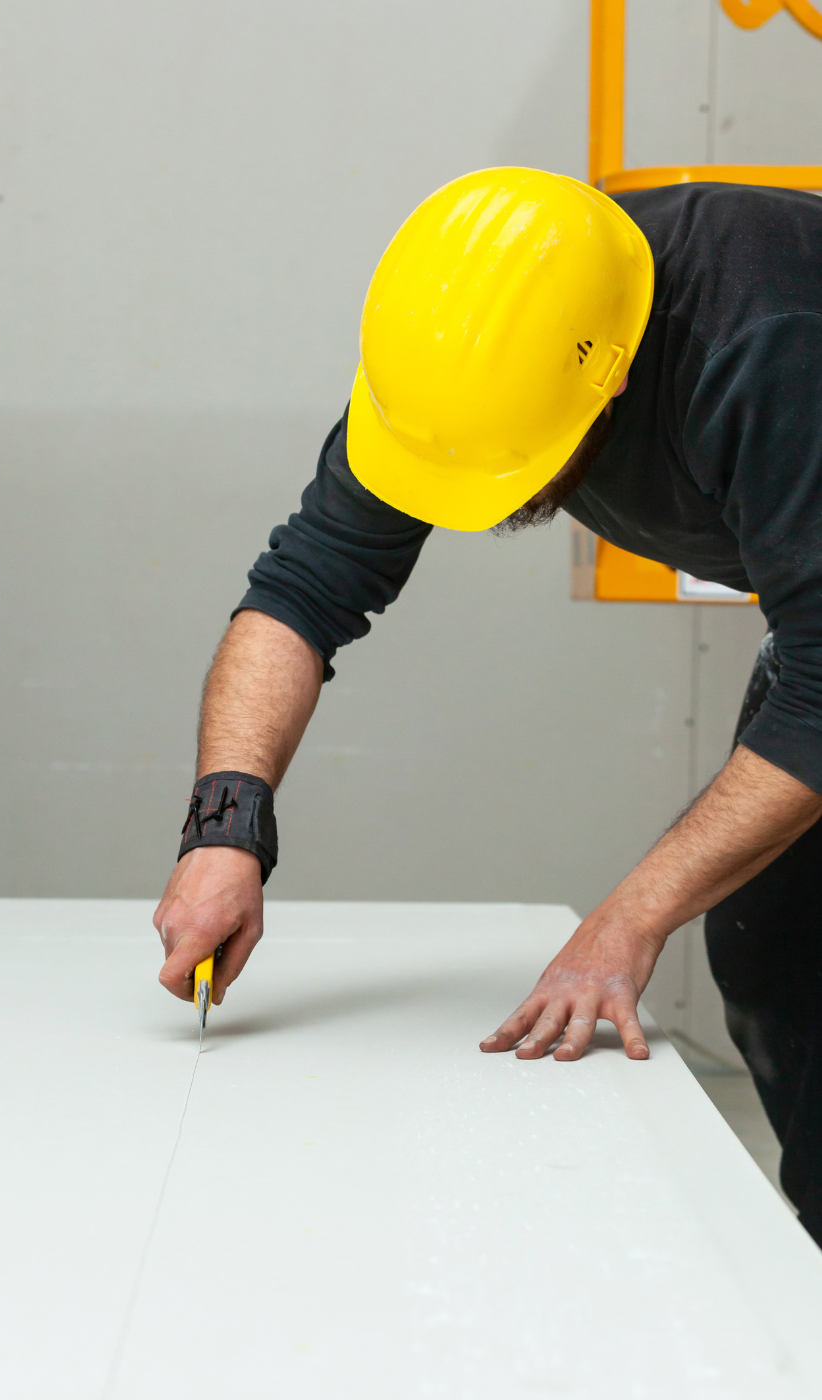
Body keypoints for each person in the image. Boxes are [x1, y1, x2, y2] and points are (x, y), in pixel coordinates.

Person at [153, 168, 822, 1242]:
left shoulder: (768, 344)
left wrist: (623, 919)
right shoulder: (473, 345)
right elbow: (303, 587)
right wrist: (224, 825)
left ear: (608, 382)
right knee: (776, 938)